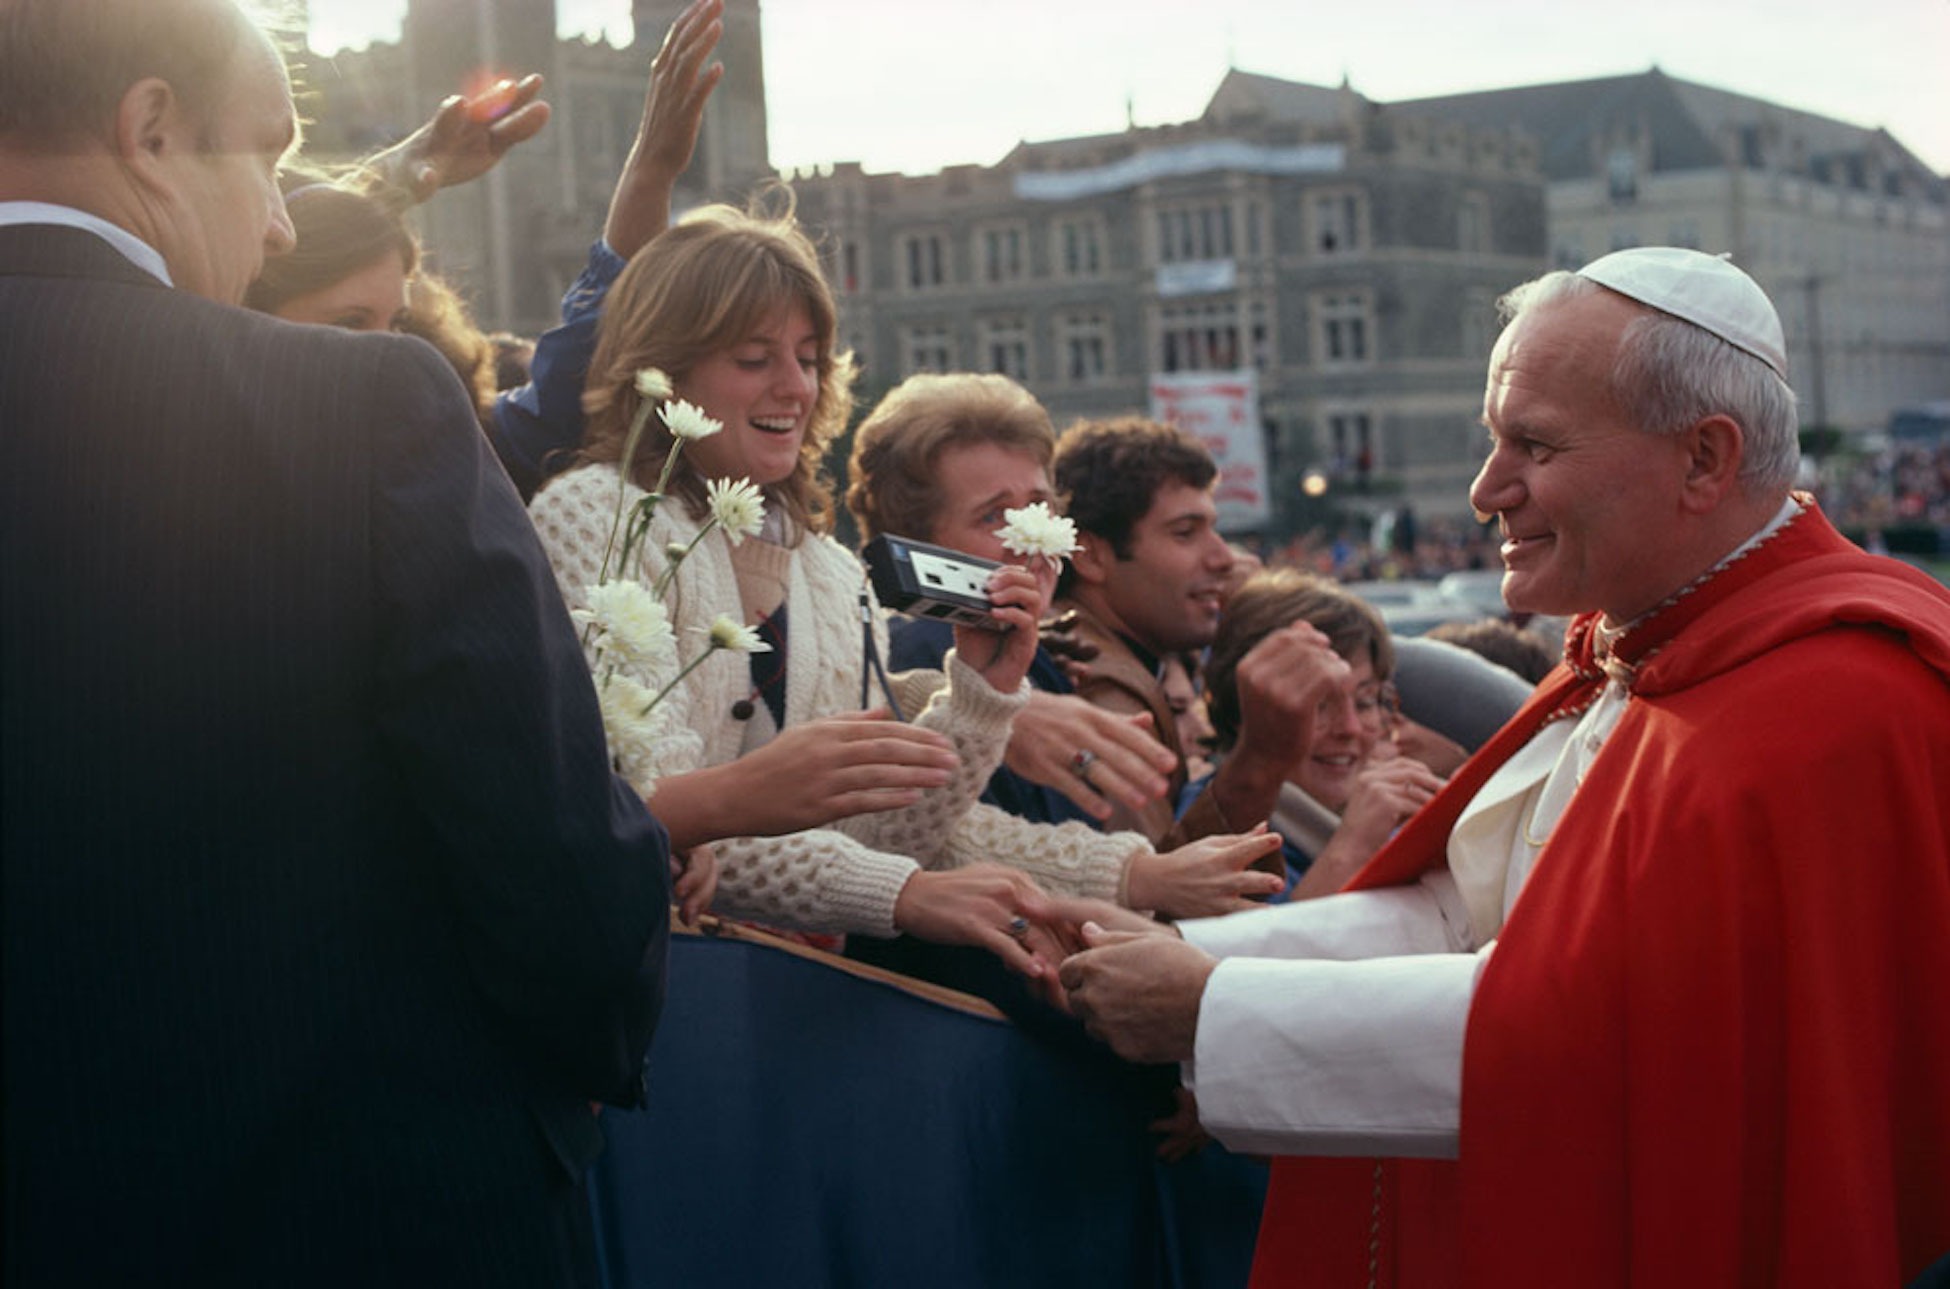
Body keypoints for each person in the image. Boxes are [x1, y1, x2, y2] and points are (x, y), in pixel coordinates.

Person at [1058, 247, 1950, 1285]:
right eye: (1494, 440)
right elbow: (1468, 907)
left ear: (1705, 459)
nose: (1487, 489)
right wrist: (1196, 952)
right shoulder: (1642, 647)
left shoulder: (1834, 699)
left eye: (1533, 444)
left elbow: (1605, 1039)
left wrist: (1211, 1010)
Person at [0, 1, 674, 1283]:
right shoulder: (360, 407)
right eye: (267, 155)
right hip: (356, 1209)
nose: (281, 220)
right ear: (149, 130)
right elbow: (560, 870)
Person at [1048, 417, 1333, 852]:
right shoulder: (1101, 691)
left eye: (1213, 529)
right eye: (1185, 533)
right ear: (1090, 556)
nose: (1224, 557)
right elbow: (1157, 905)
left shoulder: (1124, 657)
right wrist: (1257, 762)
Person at [1200, 569, 1446, 899]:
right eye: (1319, 704)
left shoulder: (1380, 812)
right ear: (1244, 708)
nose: (1350, 728)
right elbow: (1253, 947)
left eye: (1364, 701)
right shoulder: (1211, 829)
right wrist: (1353, 847)